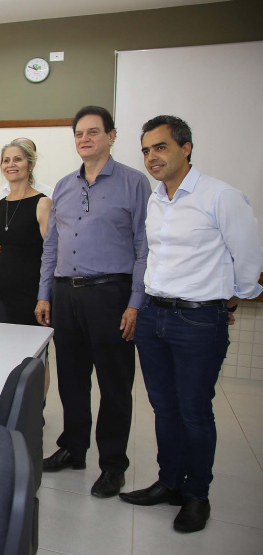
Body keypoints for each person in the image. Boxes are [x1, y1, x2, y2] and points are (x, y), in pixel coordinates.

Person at [119, 116, 263, 532]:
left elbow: (249, 262)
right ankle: (169, 483)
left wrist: (224, 297)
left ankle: (197, 494)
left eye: (160, 147)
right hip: (153, 316)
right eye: (146, 150)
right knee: (163, 408)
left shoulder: (221, 196)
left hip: (199, 319)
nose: (151, 157)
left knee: (194, 412)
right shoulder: (156, 200)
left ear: (186, 148)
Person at [36, 106, 150, 499]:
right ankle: (73, 447)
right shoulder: (64, 185)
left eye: (93, 132)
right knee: (71, 378)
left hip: (111, 294)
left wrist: (135, 302)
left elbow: (143, 248)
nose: (85, 139)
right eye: (79, 133)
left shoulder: (134, 184)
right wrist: (44, 293)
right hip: (66, 293)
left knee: (114, 384)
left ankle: (113, 465)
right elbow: (51, 245)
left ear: (112, 136)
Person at [0, 140, 52, 324]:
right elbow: (1, 246)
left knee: (31, 347)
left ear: (31, 164)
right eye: (6, 160)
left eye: (17, 159)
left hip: (31, 290)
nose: (11, 164)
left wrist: (44, 296)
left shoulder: (43, 203)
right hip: (0, 289)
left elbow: (51, 253)